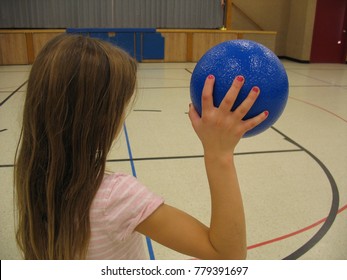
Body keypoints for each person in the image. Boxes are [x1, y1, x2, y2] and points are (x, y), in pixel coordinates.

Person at [14, 34, 268, 260]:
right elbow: (228, 256)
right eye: (120, 107)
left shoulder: (33, 175)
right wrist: (219, 153)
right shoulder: (115, 198)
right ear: (101, 120)